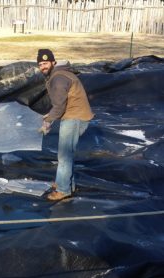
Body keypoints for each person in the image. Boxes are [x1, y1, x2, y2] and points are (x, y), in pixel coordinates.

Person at [37, 49, 94, 201]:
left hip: (75, 118)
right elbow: (60, 102)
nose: (43, 66)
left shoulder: (58, 78)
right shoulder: (59, 75)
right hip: (75, 115)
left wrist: (47, 121)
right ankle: (67, 183)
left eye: (45, 63)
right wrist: (49, 115)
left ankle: (63, 190)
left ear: (53, 62)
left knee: (64, 155)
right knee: (66, 154)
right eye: (40, 64)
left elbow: (60, 106)